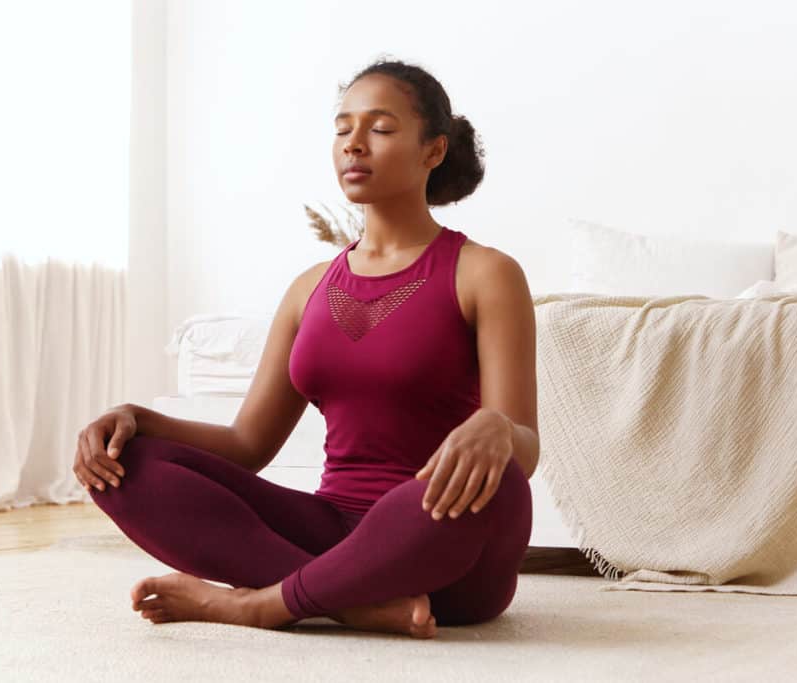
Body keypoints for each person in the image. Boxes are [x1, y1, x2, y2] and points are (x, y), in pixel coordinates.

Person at [72, 56, 538, 639]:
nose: (354, 144)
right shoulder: (309, 288)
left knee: (497, 484)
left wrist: (499, 428)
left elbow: (525, 448)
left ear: (434, 150)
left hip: (440, 539)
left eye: (381, 128)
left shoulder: (485, 273)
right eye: (343, 129)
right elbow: (246, 445)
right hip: (328, 533)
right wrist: (138, 420)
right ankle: (348, 604)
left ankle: (258, 605)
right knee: (127, 464)